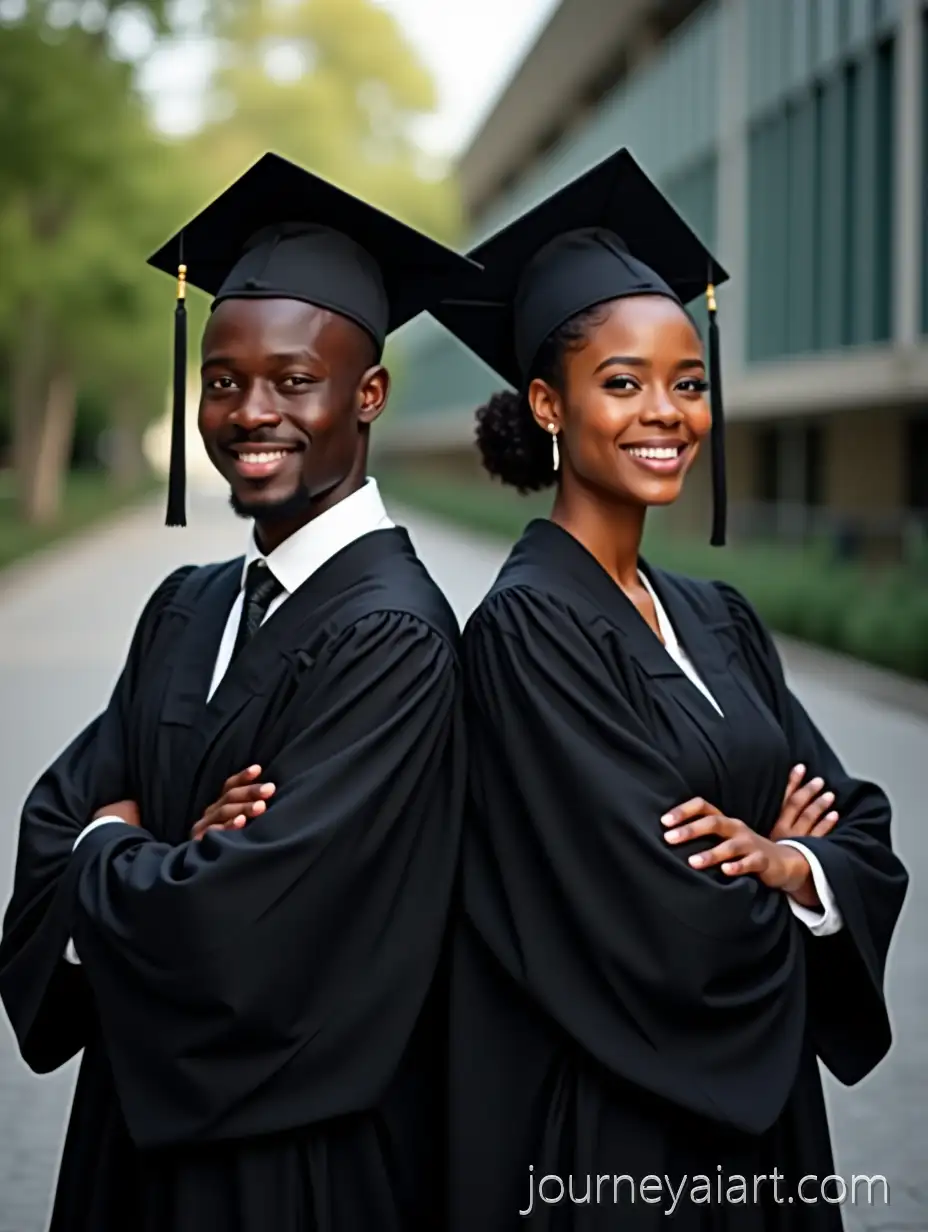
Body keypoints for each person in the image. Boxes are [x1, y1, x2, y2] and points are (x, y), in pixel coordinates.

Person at [430, 148, 909, 1229]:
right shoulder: (525, 631)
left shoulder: (714, 614)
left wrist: (791, 863)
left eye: (688, 383)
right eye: (623, 382)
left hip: (763, 1121)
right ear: (548, 403)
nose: (667, 411)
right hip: (615, 1131)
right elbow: (646, 911)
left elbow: (858, 827)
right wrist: (773, 863)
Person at [0, 152, 479, 1232]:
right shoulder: (188, 604)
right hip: (128, 1140)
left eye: (293, 380)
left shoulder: (396, 638)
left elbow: (255, 923)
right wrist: (159, 857)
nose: (249, 411)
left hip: (297, 1166)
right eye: (223, 381)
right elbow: (47, 824)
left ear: (368, 395)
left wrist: (110, 850)